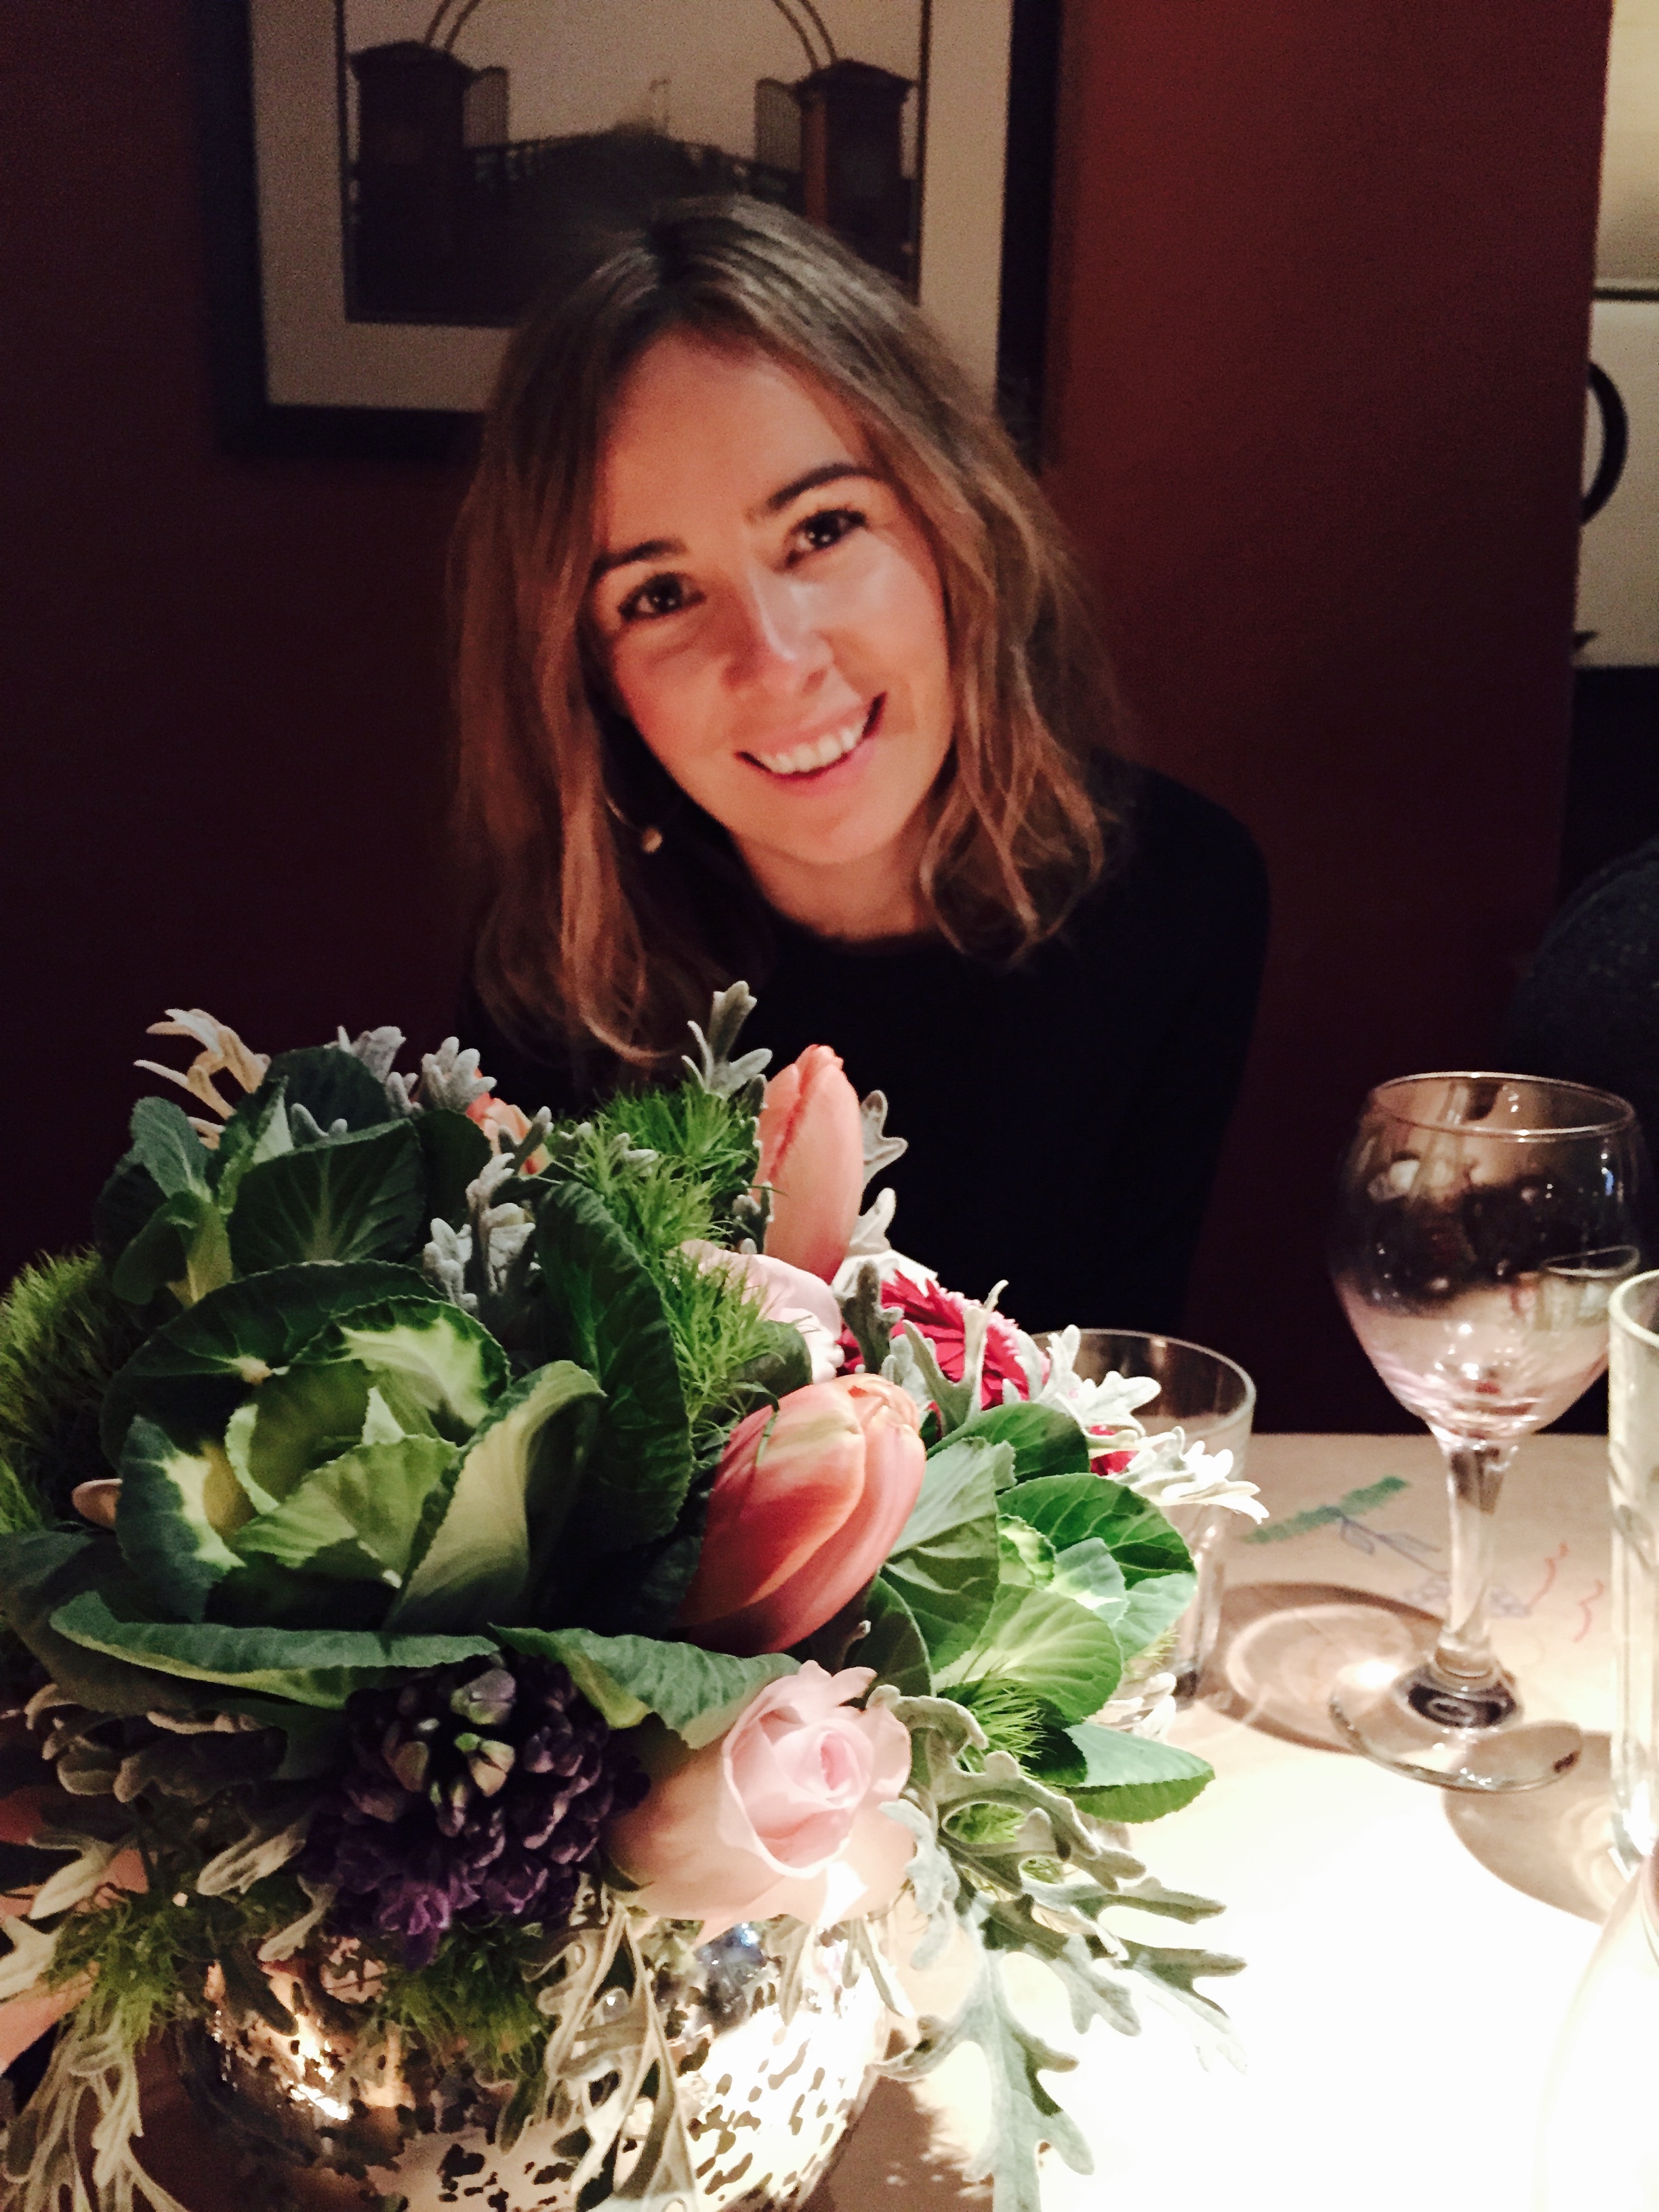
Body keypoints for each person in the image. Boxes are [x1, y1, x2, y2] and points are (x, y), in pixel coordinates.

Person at [452, 196, 1267, 1334]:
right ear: (591, 679)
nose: (776, 661)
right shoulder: (562, 979)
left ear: (953, 524)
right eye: (661, 594)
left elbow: (1113, 1384)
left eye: (823, 529)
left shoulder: (1179, 892)